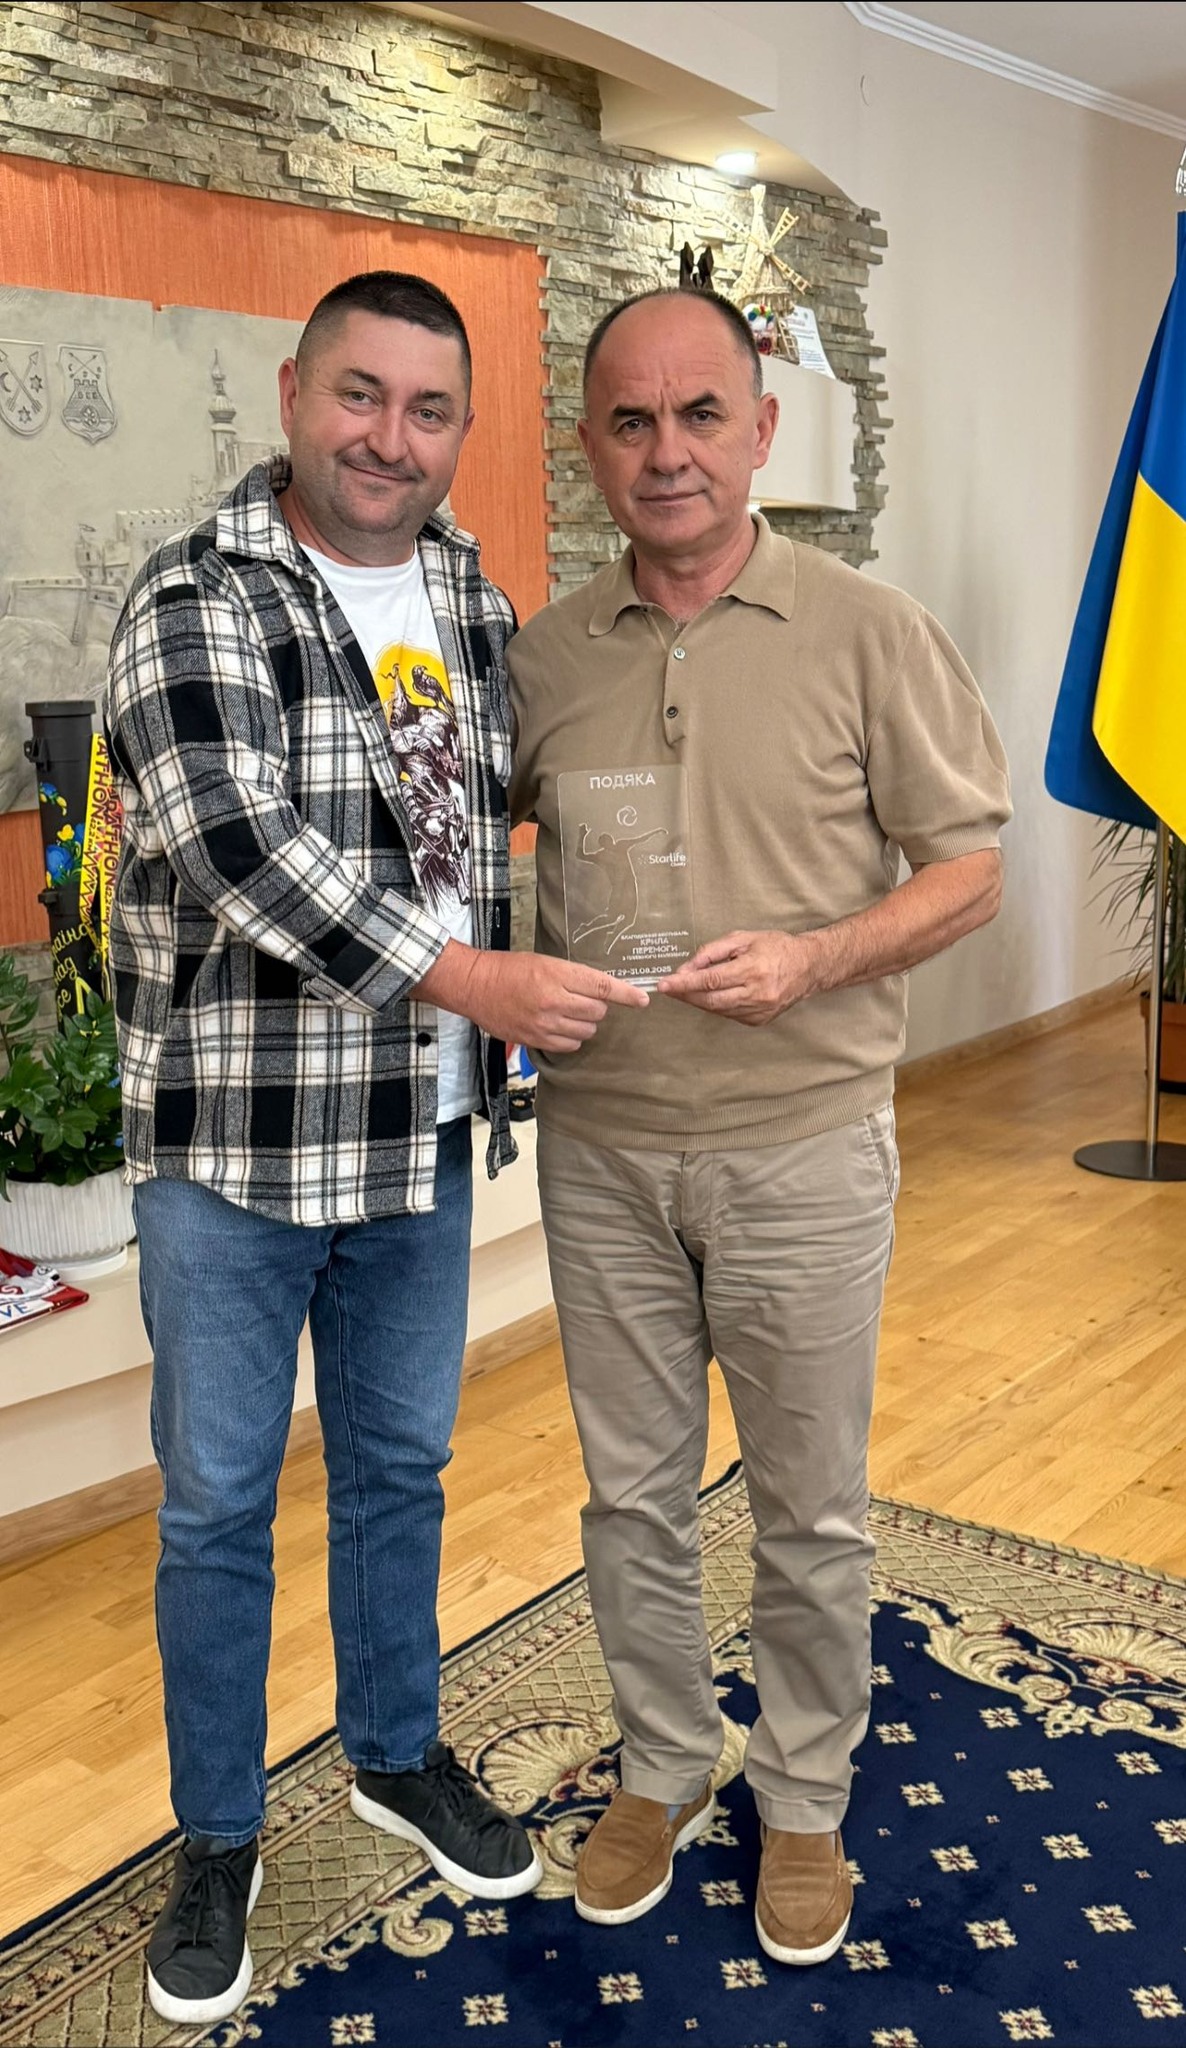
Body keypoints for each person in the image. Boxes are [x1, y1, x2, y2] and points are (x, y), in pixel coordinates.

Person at [105, 269, 645, 2028]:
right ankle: (216, 1836)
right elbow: (238, 851)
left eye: (426, 409)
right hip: (236, 1157)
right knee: (217, 1508)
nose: (388, 439)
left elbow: (513, 814)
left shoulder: (475, 594)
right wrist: (481, 978)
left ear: (460, 429)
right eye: (359, 395)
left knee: (402, 1473)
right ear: (292, 393)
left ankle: (395, 1755)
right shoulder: (194, 594)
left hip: (416, 1140)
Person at [508, 287, 1011, 1967]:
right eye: (630, 421)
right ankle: (662, 1762)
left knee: (806, 1506)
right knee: (629, 1498)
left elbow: (967, 870)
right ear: (589, 445)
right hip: (599, 1151)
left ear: (761, 429)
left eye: (700, 414)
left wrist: (813, 958)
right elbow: (460, 854)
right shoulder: (543, 658)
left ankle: (800, 1793)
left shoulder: (869, 630)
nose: (667, 453)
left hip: (802, 1145)